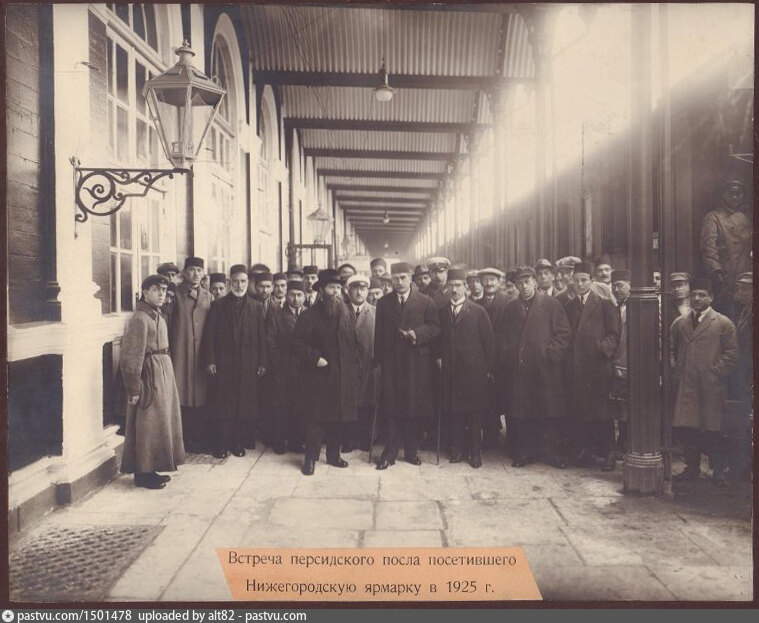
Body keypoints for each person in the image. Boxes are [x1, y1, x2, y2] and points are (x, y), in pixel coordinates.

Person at [497, 266, 572, 468]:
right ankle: (525, 453)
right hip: (520, 370)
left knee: (548, 412)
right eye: (519, 283)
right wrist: (509, 355)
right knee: (523, 413)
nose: (523, 287)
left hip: (544, 369)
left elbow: (564, 333)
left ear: (535, 282)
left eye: (527, 282)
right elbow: (503, 336)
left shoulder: (551, 304)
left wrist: (550, 353)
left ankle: (551, 453)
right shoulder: (511, 307)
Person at [670, 278, 738, 484]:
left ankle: (718, 471)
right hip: (687, 386)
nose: (697, 298)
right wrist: (677, 370)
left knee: (712, 430)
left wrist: (713, 372)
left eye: (702, 295)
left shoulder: (723, 323)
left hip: (710, 387)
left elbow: (732, 355)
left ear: (711, 298)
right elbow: (671, 349)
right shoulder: (680, 323)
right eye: (694, 295)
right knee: (688, 430)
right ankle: (692, 468)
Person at [120, 274, 184, 489]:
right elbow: (131, 356)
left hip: (162, 373)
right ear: (145, 292)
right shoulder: (140, 318)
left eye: (163, 291)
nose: (161, 294)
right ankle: (143, 473)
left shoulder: (158, 316)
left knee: (159, 423)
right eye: (156, 290)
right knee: (146, 424)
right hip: (148, 377)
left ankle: (152, 468)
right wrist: (134, 388)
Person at [374, 262, 441, 469]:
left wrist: (416, 334)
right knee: (392, 406)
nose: (399, 282)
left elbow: (435, 327)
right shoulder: (384, 303)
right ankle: (390, 452)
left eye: (403, 278)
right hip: (392, 363)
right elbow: (379, 335)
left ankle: (411, 451)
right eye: (395, 279)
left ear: (410, 278)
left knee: (414, 407)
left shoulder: (425, 301)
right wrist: (378, 362)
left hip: (416, 363)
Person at [293, 269, 360, 475]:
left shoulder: (346, 313)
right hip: (319, 375)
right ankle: (310, 459)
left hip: (341, 374)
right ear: (322, 290)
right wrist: (315, 358)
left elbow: (352, 342)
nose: (336, 292)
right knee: (316, 420)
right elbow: (297, 344)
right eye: (332, 288)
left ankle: (333, 455)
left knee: (337, 418)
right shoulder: (308, 316)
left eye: (339, 288)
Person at [202, 265, 268, 458]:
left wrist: (262, 362)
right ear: (230, 283)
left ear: (248, 283)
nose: (239, 285)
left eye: (243, 281)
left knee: (244, 405)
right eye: (236, 281)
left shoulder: (256, 307)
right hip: (224, 364)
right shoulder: (218, 305)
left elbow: (261, 337)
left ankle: (237, 443)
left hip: (248, 364)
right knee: (224, 405)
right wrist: (210, 360)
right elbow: (209, 336)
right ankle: (221, 444)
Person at [435, 268, 495, 468]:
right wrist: (439, 357)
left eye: (458, 285)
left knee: (474, 413)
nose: (454, 289)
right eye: (451, 286)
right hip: (451, 371)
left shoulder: (478, 311)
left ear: (465, 287)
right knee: (455, 411)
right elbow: (437, 339)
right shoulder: (441, 311)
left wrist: (487, 370)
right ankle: (457, 449)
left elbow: (488, 342)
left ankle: (475, 451)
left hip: (473, 372)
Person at [563, 261, 620, 471]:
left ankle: (609, 453)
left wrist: (600, 348)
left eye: (584, 280)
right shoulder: (569, 306)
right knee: (580, 411)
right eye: (576, 281)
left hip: (597, 368)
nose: (580, 284)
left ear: (592, 281)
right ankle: (586, 451)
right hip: (576, 368)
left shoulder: (604, 304)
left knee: (602, 414)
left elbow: (614, 334)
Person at [169, 256, 212, 452]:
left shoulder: (208, 296)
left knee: (200, 395)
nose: (196, 274)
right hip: (180, 351)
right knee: (182, 394)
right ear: (185, 272)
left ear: (203, 273)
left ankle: (198, 438)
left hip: (201, 353)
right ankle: (183, 439)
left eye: (199, 270)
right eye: (192, 269)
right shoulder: (175, 295)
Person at [700, 179, 752, 317]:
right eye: (731, 193)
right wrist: (716, 271)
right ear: (723, 195)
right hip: (725, 275)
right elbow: (708, 247)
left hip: (744, 273)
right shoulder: (713, 217)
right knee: (727, 312)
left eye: (738, 194)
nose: (735, 197)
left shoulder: (745, 219)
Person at [266, 279, 306, 454]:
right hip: (283, 367)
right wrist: (278, 362)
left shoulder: (309, 314)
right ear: (287, 295)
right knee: (281, 405)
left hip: (304, 368)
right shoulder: (276, 315)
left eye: (299, 295)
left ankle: (296, 441)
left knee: (299, 404)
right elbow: (270, 341)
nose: (296, 299)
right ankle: (279, 441)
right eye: (292, 295)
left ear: (304, 296)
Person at [344, 273, 377, 453]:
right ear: (348, 291)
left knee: (367, 402)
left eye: (363, 288)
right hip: (347, 367)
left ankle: (366, 439)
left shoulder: (375, 312)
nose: (359, 292)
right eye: (355, 288)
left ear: (367, 291)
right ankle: (349, 439)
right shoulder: (341, 311)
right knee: (348, 403)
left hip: (368, 366)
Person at [610, 269, 630, 459]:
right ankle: (620, 443)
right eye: (614, 286)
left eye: (620, 285)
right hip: (616, 363)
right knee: (619, 407)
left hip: (629, 364)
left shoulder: (636, 308)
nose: (616, 290)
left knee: (628, 407)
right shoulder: (615, 308)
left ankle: (626, 443)